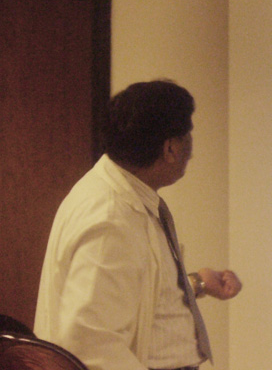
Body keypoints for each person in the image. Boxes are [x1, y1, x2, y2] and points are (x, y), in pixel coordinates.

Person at [34, 80, 242, 370]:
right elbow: (89, 343)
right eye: (188, 135)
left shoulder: (123, 195)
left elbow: (128, 291)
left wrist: (198, 283)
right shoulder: (110, 216)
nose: (192, 150)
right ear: (170, 148)